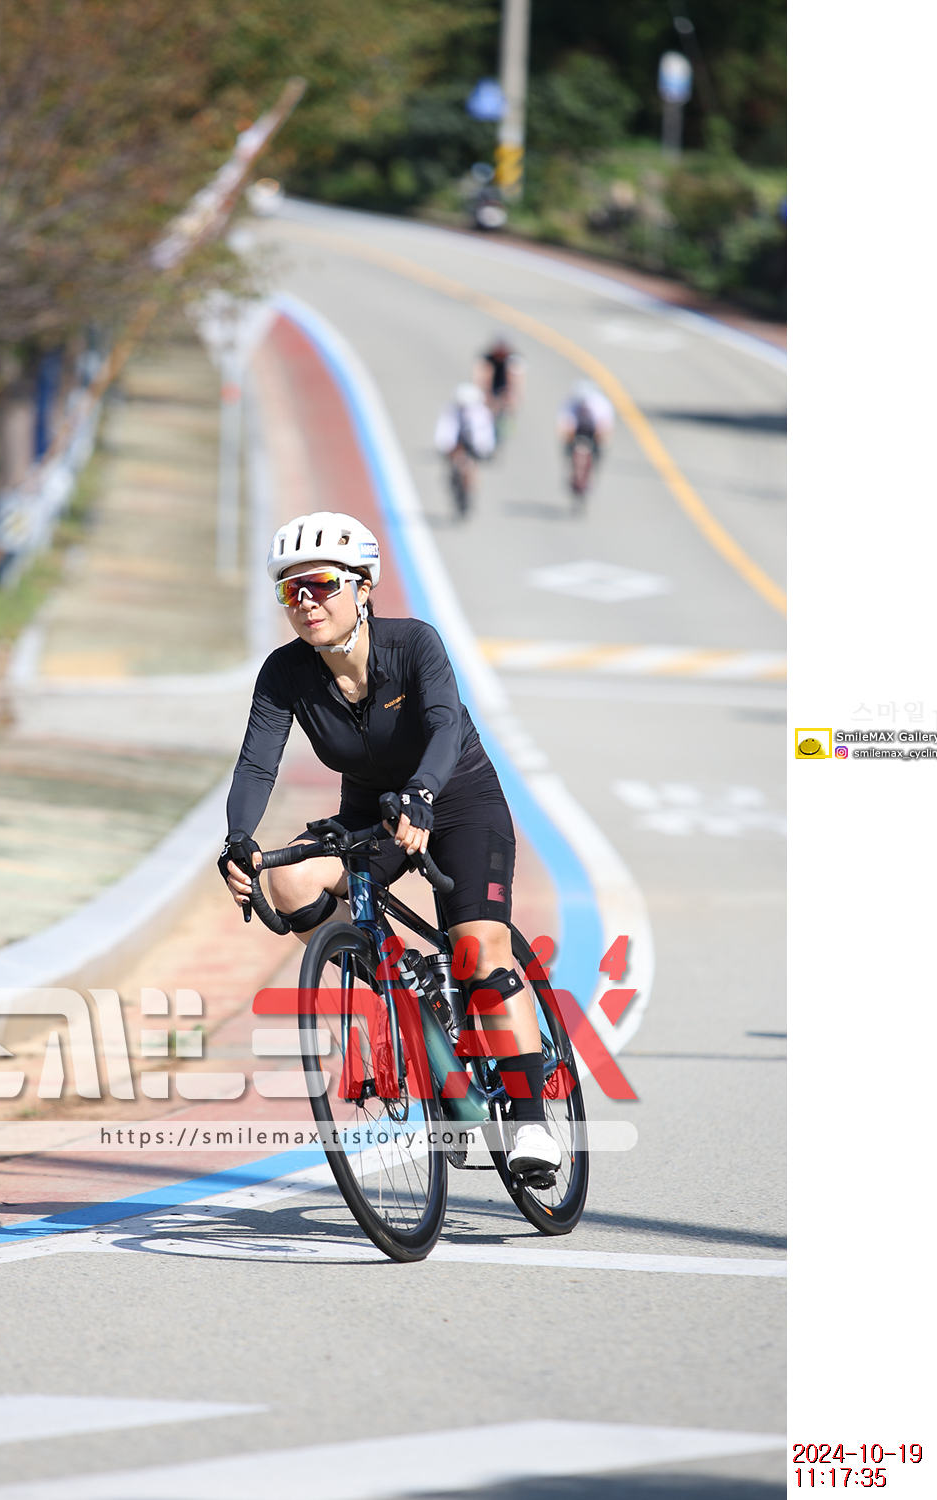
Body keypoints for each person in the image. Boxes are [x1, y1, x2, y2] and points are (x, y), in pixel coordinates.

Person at [217, 511, 563, 1178]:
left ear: (363, 586)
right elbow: (257, 763)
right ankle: (407, 991)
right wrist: (239, 840)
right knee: (288, 880)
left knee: (477, 947)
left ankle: (528, 1122)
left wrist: (424, 793)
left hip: (456, 800)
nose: (306, 601)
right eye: (291, 590)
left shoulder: (413, 644)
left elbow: (443, 724)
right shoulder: (284, 672)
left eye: (322, 584)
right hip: (370, 814)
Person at [433, 384, 496, 518]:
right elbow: (444, 429)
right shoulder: (450, 410)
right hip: (456, 443)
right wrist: (445, 447)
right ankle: (453, 480)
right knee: (453, 464)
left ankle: (470, 490)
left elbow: (484, 434)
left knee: (471, 468)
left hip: (474, 445)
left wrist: (483, 450)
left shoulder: (481, 413)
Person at [556, 380, 615, 501]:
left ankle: (593, 472)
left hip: (595, 429)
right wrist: (568, 437)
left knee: (603, 447)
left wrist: (601, 439)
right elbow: (563, 425)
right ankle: (570, 470)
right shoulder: (569, 404)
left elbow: (606, 428)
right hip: (577, 429)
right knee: (566, 446)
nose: (583, 405)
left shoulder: (601, 405)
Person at [475, 338, 524, 435]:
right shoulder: (487, 359)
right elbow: (482, 379)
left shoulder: (513, 361)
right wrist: (487, 396)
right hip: (491, 383)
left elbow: (516, 382)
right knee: (484, 402)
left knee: (510, 400)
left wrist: (511, 399)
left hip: (504, 384)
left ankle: (504, 424)